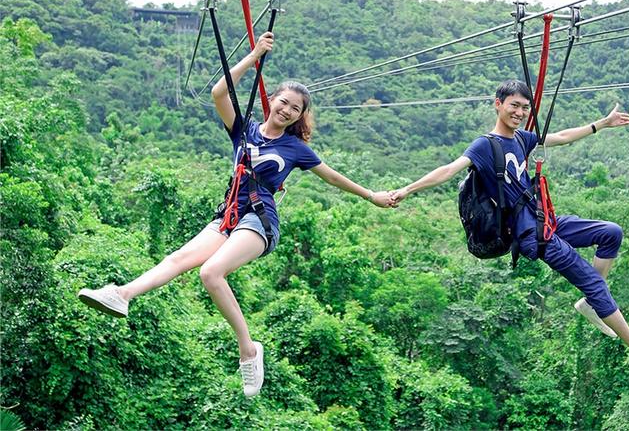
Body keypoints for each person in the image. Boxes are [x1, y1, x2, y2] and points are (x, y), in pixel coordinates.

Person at [78, 32, 395, 397]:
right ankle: (122, 294)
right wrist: (255, 55)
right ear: (272, 100)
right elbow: (219, 92)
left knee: (211, 272)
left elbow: (332, 177)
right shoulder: (244, 130)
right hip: (229, 214)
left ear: (299, 117)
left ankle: (248, 350)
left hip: (259, 220)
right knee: (180, 258)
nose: (287, 110)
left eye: (296, 109)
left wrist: (371, 195)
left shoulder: (295, 148)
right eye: (284, 102)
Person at [390, 79, 629, 374]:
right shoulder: (485, 145)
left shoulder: (521, 139)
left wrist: (601, 124)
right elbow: (448, 170)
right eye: (513, 105)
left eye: (524, 107)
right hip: (531, 235)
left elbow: (562, 137)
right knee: (595, 283)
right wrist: (407, 190)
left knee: (610, 232)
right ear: (498, 104)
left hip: (544, 220)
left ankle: (593, 304)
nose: (519, 112)